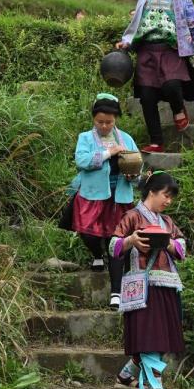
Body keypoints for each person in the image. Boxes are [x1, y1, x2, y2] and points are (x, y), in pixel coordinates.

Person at [109, 171, 186, 389]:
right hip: (139, 288)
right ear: (151, 191)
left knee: (158, 341)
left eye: (171, 197)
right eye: (166, 195)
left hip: (166, 286)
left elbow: (182, 247)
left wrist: (168, 244)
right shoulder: (131, 217)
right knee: (149, 342)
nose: (168, 201)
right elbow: (113, 246)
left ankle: (126, 375)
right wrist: (132, 240)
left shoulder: (167, 221)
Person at [115, 0, 194, 154]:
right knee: (148, 96)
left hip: (171, 51)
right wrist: (126, 41)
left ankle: (178, 110)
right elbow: (137, 24)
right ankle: (156, 142)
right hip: (146, 51)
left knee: (172, 84)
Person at [68, 93, 139, 309]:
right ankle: (96, 254)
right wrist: (109, 152)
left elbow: (137, 164)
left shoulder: (126, 138)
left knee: (116, 239)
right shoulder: (86, 138)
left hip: (119, 195)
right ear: (93, 120)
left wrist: (132, 175)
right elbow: (82, 160)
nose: (105, 126)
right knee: (87, 231)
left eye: (109, 122)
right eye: (100, 122)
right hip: (93, 194)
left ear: (115, 119)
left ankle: (116, 292)